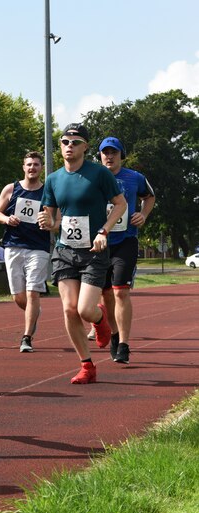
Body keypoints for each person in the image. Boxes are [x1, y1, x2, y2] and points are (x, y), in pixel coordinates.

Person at [38, 123, 126, 385]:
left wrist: (104, 231)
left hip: (94, 251)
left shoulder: (99, 174)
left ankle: (100, 321)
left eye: (75, 142)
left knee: (85, 309)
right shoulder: (53, 179)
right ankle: (87, 366)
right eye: (65, 142)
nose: (69, 146)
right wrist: (47, 223)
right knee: (68, 310)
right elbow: (53, 220)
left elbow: (120, 204)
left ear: (85, 147)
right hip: (64, 251)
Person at [97, 136, 155, 364]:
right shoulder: (92, 176)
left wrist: (143, 214)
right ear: (100, 155)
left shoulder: (135, 178)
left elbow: (149, 197)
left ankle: (123, 344)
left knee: (120, 291)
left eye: (114, 152)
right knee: (107, 295)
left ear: (122, 155)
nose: (109, 156)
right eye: (105, 152)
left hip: (126, 241)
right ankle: (113, 334)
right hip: (98, 243)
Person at [0, 151, 52, 352]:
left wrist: (50, 223)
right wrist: (7, 219)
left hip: (38, 248)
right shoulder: (11, 189)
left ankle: (26, 338)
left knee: (32, 292)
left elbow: (57, 220)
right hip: (13, 245)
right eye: (29, 164)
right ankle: (34, 312)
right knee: (19, 297)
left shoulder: (48, 192)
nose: (32, 168)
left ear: (41, 168)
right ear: (23, 167)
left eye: (36, 164)